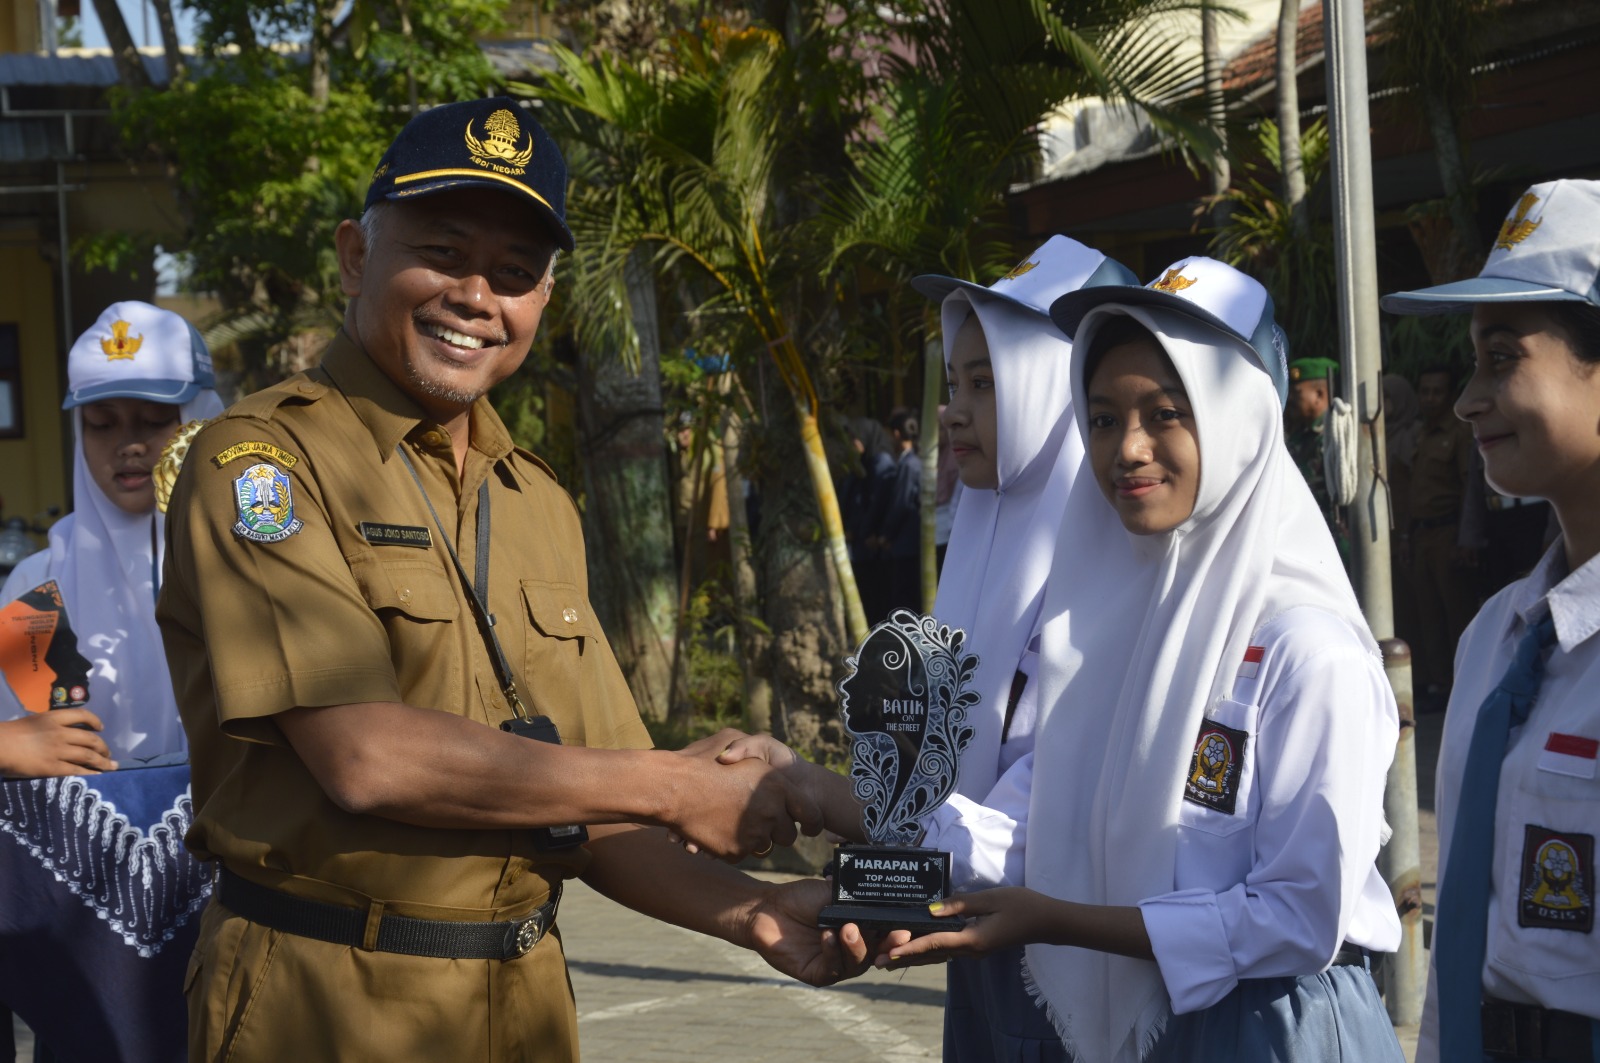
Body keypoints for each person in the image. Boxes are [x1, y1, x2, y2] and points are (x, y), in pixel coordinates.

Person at [156, 98, 863, 1062]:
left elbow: (596, 812)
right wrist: (670, 781)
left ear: (542, 305)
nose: (476, 294)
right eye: (444, 251)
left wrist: (757, 913)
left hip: (521, 1005)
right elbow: (362, 752)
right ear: (356, 256)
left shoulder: (535, 500)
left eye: (517, 274)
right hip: (325, 1001)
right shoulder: (262, 463)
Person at [877, 257, 1404, 1063]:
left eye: (1165, 413)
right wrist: (844, 837)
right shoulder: (1118, 636)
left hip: (1276, 1026)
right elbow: (1036, 826)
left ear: (1238, 421)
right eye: (1099, 417)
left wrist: (1061, 922)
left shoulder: (1309, 651)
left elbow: (1298, 914)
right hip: (1162, 1017)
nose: (1127, 448)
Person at [723, 235, 1141, 1061]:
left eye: (987, 383)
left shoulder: (1116, 578)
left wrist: (828, 796)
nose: (952, 409)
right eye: (954, 381)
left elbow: (1041, 838)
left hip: (1085, 981)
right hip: (982, 960)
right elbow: (947, 784)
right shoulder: (985, 545)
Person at [1380, 177, 1600, 1063]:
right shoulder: (1497, 638)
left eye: (1503, 358)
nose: (1470, 398)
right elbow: (1462, 954)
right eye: (1474, 361)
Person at [0, 301, 223, 1063]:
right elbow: (45, 744)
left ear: (199, 417)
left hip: (242, 932)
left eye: (153, 418)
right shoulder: (40, 587)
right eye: (102, 422)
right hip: (94, 956)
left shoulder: (254, 569)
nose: (128, 444)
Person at [1409, 362, 1483, 711]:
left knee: (1457, 613)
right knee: (1429, 615)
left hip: (1447, 530)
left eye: (1437, 391)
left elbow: (1470, 485)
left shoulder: (1459, 433)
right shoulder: (1420, 433)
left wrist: (1466, 537)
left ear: (1451, 394)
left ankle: (1466, 683)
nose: (1430, 398)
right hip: (1422, 533)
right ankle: (1440, 685)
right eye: (1424, 391)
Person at [1284, 355, 1348, 555]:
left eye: (1296, 394)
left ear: (1319, 394)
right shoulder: (1300, 436)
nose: (1290, 401)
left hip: (1335, 536)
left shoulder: (1335, 435)